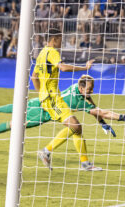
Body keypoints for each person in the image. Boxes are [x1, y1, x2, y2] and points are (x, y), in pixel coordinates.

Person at [0, 75, 125, 139]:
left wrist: (102, 123)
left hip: (45, 99)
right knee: (16, 125)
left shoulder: (76, 87)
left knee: (20, 106)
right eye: (89, 90)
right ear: (82, 89)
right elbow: (102, 111)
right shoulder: (78, 101)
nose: (91, 92)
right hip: (46, 112)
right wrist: (122, 117)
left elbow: (94, 108)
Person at [31, 28, 97, 171]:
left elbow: (34, 77)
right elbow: (63, 68)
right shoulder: (53, 52)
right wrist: (84, 68)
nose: (62, 42)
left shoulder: (41, 53)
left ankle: (85, 164)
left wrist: (41, 95)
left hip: (49, 97)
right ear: (54, 39)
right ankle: (46, 151)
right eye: (60, 39)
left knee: (76, 128)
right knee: (75, 126)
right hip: (52, 97)